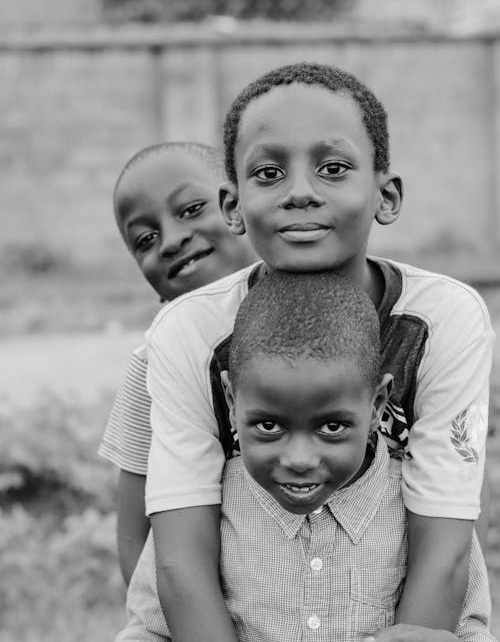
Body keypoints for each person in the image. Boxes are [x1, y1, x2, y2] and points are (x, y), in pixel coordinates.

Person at [144, 63, 495, 642]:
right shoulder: (192, 331)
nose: (300, 190)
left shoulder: (441, 321)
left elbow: (446, 546)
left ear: (386, 195)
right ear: (232, 205)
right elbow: (179, 562)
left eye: (333, 169)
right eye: (268, 171)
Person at [118, 271, 493, 642]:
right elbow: (147, 630)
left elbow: (471, 630)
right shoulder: (207, 512)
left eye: (331, 428)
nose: (299, 459)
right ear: (231, 402)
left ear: (377, 404)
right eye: (268, 426)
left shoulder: (415, 512)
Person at [98, 142, 256, 584]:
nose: (172, 240)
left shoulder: (332, 321)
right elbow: (135, 534)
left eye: (190, 209)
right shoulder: (152, 365)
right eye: (145, 240)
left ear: (239, 206)